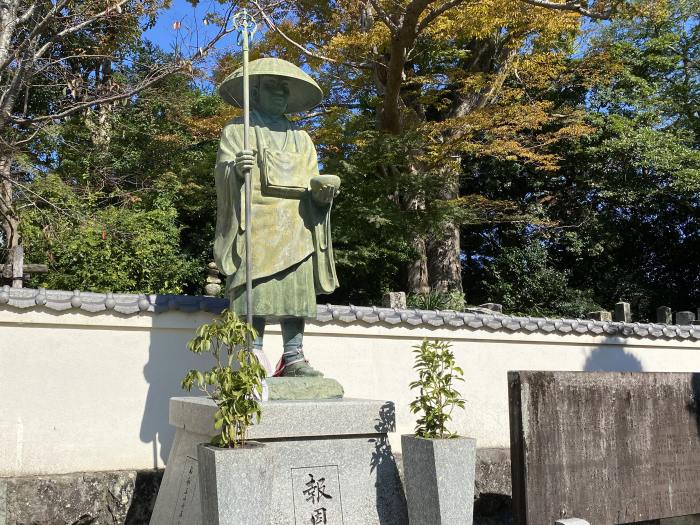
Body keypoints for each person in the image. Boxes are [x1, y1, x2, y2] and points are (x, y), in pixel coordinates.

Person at [214, 57, 340, 377]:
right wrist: (235, 171)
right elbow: (223, 173)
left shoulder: (302, 138)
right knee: (256, 288)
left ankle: (294, 355)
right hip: (255, 223)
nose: (280, 93)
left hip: (296, 224)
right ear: (254, 92)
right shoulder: (238, 131)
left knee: (295, 291)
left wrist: (322, 194)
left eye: (285, 88)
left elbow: (312, 182)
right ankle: (252, 352)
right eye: (272, 86)